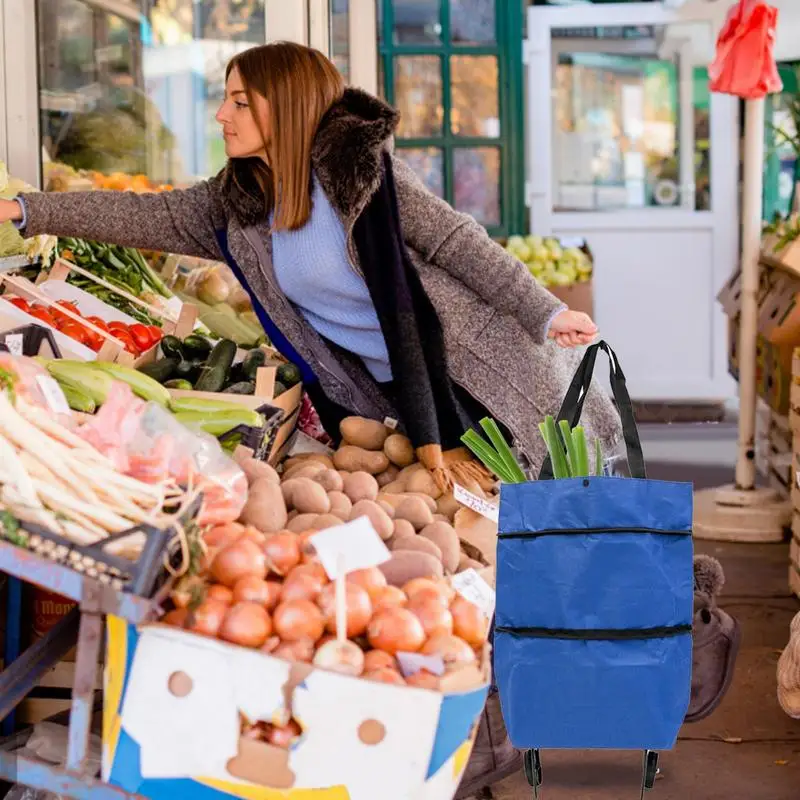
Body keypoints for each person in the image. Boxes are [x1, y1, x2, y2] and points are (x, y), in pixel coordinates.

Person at [0, 41, 621, 793]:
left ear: (284, 106)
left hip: (482, 377)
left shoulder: (363, 174)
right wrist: (29, 211)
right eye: (225, 99)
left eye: (240, 100)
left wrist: (547, 309)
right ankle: (479, 728)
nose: (223, 114)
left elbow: (460, 244)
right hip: (396, 399)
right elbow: (145, 213)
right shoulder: (236, 204)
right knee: (483, 549)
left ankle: (565, 690)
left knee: (542, 539)